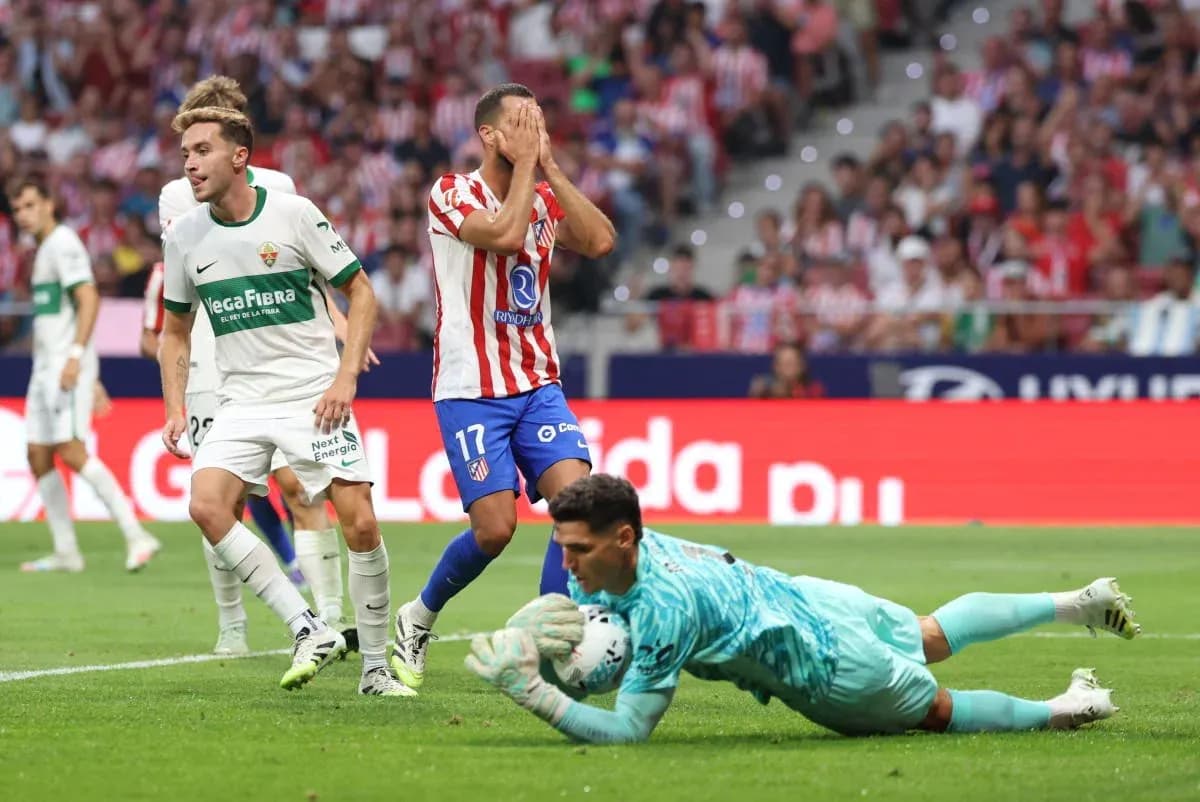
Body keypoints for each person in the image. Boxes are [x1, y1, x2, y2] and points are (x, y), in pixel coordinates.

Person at [466, 474, 1140, 744]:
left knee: (937, 708)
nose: (568, 565)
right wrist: (553, 656)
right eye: (562, 548)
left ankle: (1068, 709)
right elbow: (601, 652)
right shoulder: (624, 551)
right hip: (815, 597)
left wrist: (537, 692)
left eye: (578, 549)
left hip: (823, 666)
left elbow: (628, 730)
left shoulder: (665, 605)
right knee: (931, 632)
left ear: (622, 539)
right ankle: (1073, 604)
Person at [159, 105, 408, 696]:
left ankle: (376, 669)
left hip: (311, 395)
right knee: (207, 506)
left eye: (202, 151)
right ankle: (306, 627)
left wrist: (345, 377)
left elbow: (361, 292)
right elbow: (173, 328)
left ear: (239, 157)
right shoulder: (184, 236)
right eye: (185, 154)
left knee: (361, 524)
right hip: (241, 401)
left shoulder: (295, 215)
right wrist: (174, 407)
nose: (190, 164)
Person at [390, 83, 616, 689]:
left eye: (539, 119)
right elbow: (505, 234)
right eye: (522, 121)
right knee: (495, 530)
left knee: (580, 505)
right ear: (489, 134)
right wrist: (526, 175)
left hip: (538, 382)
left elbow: (599, 240)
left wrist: (550, 168)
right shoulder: (449, 192)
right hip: (470, 388)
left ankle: (550, 639)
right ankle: (418, 617)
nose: (534, 128)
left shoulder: (541, 194)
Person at [11, 177, 161, 573]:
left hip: (64, 366)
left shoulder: (63, 243)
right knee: (38, 454)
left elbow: (89, 296)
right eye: (16, 209)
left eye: (29, 205)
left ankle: (136, 534)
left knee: (72, 450)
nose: (22, 215)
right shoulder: (44, 248)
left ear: (48, 203)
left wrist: (78, 359)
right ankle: (66, 552)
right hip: (45, 369)